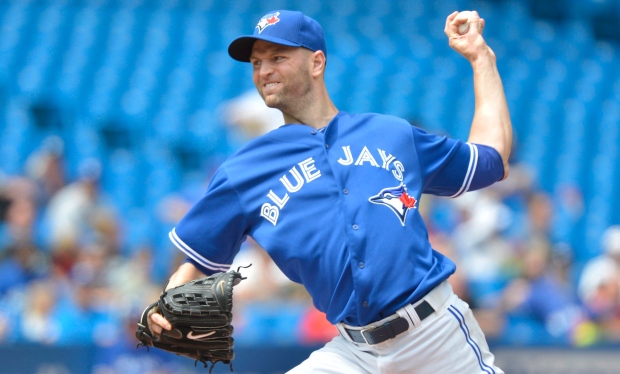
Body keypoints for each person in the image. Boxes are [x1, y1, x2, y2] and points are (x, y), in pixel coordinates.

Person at [148, 9, 512, 373]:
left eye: (278, 57)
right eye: (257, 63)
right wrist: (168, 303)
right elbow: (197, 261)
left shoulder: (391, 134)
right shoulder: (243, 171)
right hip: (354, 353)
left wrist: (482, 59)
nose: (264, 71)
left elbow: (490, 160)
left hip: (436, 338)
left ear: (317, 62)